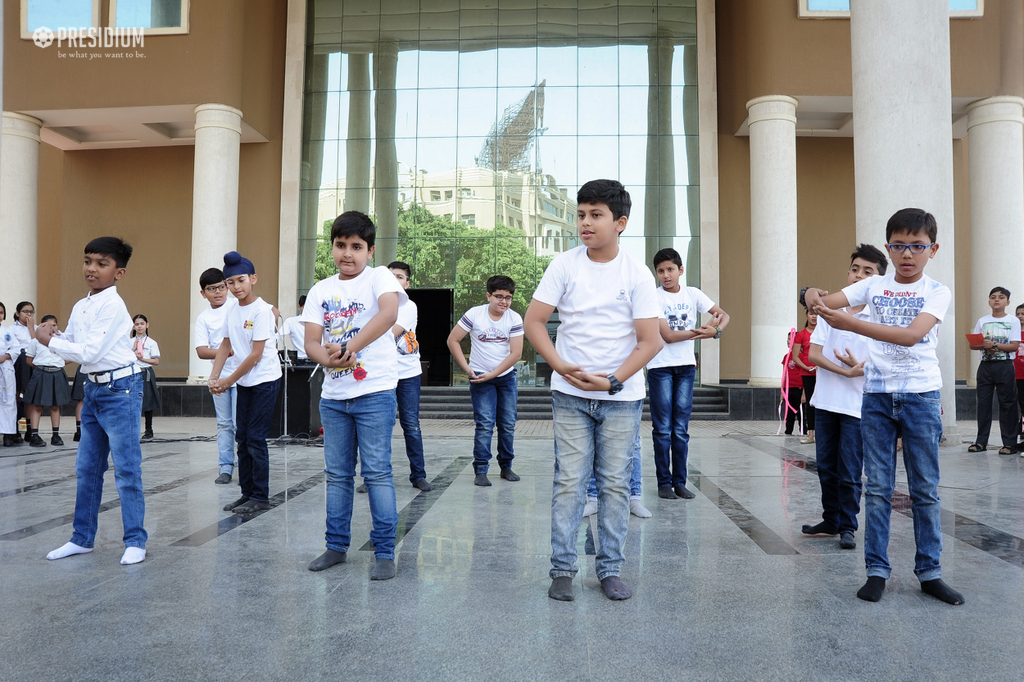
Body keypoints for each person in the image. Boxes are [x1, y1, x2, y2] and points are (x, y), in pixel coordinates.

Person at [806, 207, 963, 606]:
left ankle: (930, 572)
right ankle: (876, 570)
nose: (907, 254)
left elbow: (911, 336)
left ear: (933, 248)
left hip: (921, 396)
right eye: (898, 246)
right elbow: (828, 298)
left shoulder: (937, 291)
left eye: (917, 246)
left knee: (924, 488)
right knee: (877, 488)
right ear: (890, 248)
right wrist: (812, 296)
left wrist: (848, 322)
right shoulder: (873, 287)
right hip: (875, 396)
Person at [524, 179, 662, 602]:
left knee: (615, 484)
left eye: (596, 215)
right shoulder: (564, 265)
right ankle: (562, 568)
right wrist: (559, 364)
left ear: (620, 223)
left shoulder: (636, 273)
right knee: (569, 482)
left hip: (621, 397)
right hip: (569, 395)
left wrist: (612, 381)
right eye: (581, 214)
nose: (585, 222)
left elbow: (650, 341)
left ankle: (610, 569)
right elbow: (533, 322)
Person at [303, 211, 404, 580]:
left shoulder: (378, 277)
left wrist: (350, 348)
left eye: (357, 247)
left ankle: (384, 551)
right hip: (334, 398)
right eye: (341, 245)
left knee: (377, 473)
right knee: (338, 475)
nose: (348, 253)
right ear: (331, 247)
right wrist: (326, 357)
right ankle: (335, 546)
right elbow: (311, 341)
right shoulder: (320, 290)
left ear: (370, 250)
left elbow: (389, 312)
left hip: (375, 392)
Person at [39, 237, 148, 565]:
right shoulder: (82, 304)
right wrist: (52, 336)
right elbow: (72, 344)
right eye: (88, 261)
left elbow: (88, 352)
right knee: (87, 469)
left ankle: (135, 541)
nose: (91, 269)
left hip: (121, 390)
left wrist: (49, 342)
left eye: (102, 264)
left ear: (119, 273)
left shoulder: (114, 306)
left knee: (127, 469)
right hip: (93, 390)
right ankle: (81, 538)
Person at [800, 244, 887, 550]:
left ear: (878, 281)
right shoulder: (830, 311)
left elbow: (884, 357)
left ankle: (848, 525)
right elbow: (813, 354)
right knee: (825, 465)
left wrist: (861, 369)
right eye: (855, 269)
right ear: (847, 272)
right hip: (825, 402)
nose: (859, 276)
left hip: (857, 406)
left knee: (849, 469)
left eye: (868, 272)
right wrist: (845, 371)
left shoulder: (879, 316)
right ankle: (831, 519)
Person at [646, 246, 730, 500]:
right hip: (659, 368)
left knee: (680, 428)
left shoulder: (693, 294)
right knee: (662, 428)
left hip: (685, 368)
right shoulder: (654, 297)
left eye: (670, 269)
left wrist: (716, 331)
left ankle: (680, 482)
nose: (666, 275)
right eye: (660, 271)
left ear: (681, 270)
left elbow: (723, 315)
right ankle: (664, 483)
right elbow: (668, 336)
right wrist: (700, 332)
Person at [210, 251, 282, 515]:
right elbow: (225, 344)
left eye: (241, 280)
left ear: (253, 278)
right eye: (230, 283)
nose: (236, 287)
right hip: (245, 382)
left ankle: (260, 496)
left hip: (264, 380)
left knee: (255, 438)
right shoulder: (231, 311)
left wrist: (227, 380)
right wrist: (214, 377)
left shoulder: (262, 311)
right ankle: (247, 493)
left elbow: (255, 354)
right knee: (242, 437)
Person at [447, 275, 524, 487]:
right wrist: (467, 368)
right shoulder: (475, 314)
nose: (504, 302)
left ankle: (506, 466)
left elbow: (516, 353)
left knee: (507, 423)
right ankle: (481, 469)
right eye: (499, 296)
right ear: (488, 295)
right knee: (485, 424)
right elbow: (453, 340)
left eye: (508, 297)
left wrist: (495, 373)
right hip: (480, 378)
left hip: (506, 377)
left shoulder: (514, 318)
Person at [388, 260, 432, 491]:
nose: (395, 279)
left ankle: (418, 475)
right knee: (379, 426)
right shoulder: (375, 305)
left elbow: (389, 334)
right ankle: (373, 477)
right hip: (382, 375)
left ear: (407, 283)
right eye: (390, 275)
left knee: (411, 425)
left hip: (407, 374)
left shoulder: (408, 306)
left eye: (399, 276)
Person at [195, 268, 239, 484]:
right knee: (224, 424)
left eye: (222, 287)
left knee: (241, 424)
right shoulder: (203, 318)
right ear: (203, 293)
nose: (218, 292)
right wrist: (226, 351)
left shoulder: (238, 306)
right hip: (219, 379)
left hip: (242, 377)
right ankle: (226, 466)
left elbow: (273, 312)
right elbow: (202, 351)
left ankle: (245, 465)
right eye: (212, 289)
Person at [967, 287, 1020, 455]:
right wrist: (984, 346)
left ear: (1007, 302)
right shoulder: (983, 321)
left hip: (1005, 366)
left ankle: (1009, 443)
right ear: (989, 301)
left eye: (1001, 297)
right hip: (986, 366)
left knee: (1007, 404)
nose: (996, 300)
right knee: (983, 404)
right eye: (993, 297)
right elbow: (973, 344)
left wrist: (995, 345)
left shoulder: (1013, 321)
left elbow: (1014, 345)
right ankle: (981, 442)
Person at [24, 315, 72, 447]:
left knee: (55, 406)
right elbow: (29, 360)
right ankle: (34, 435)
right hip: (41, 373)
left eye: (54, 325)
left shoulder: (61, 341)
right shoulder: (35, 342)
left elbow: (69, 357)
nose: (51, 328)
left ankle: (55, 435)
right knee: (38, 405)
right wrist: (42, 367)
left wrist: (57, 363)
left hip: (57, 373)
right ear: (41, 327)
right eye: (47, 325)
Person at [131, 314, 161, 441]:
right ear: (133, 326)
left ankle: (149, 429)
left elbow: (156, 361)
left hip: (145, 372)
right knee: (131, 401)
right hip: (132, 372)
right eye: (137, 324)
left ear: (147, 325)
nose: (139, 327)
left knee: (147, 401)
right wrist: (131, 351)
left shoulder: (151, 342)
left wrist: (142, 359)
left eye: (142, 324)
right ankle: (132, 429)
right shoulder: (128, 342)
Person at [792, 300, 818, 444]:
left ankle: (822, 433)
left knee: (822, 403)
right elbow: (795, 357)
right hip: (807, 373)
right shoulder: (800, 335)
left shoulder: (824, 332)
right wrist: (807, 367)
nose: (814, 317)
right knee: (810, 403)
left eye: (816, 314)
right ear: (806, 315)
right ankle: (810, 434)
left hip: (822, 372)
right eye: (811, 314)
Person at [10, 301, 36, 442]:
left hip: (33, 362)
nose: (29, 314)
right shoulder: (11, 329)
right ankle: (13, 428)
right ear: (17, 313)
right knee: (15, 393)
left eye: (31, 312)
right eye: (25, 311)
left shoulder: (36, 328)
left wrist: (32, 328)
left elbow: (36, 344)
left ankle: (30, 429)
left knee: (29, 396)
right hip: (18, 362)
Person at [1, 302, 18, 447]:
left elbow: (16, 348)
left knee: (8, 401)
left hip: (5, 370)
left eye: (0, 312)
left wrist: (6, 356)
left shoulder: (8, 332)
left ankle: (8, 434)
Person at [783, 329, 804, 435]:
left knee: (801, 412)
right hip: (789, 387)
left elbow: (805, 374)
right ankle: (788, 431)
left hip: (800, 387)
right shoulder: (786, 357)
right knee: (789, 412)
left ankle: (803, 431)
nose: (788, 341)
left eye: (790, 339)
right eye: (787, 339)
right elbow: (784, 374)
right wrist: (782, 391)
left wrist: (804, 392)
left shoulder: (801, 357)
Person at [281, 295, 309, 363]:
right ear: (299, 307)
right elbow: (279, 335)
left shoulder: (319, 322)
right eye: (304, 307)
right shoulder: (291, 321)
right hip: (299, 360)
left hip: (317, 361)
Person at [1015, 303, 1024, 448]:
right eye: (1018, 314)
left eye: (1023, 314)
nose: (1020, 317)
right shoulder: (1013, 332)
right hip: (1013, 375)